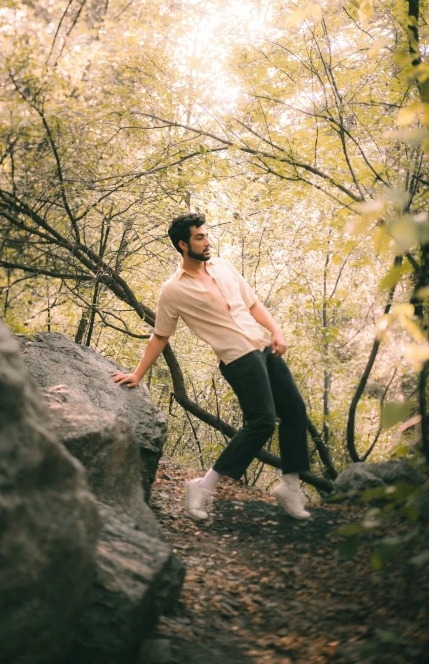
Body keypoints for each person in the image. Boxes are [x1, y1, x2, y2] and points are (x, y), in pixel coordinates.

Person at [110, 212, 311, 521]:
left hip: (262, 346)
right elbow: (160, 335)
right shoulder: (173, 290)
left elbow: (253, 304)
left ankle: (291, 487)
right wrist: (138, 373)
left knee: (295, 411)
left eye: (206, 235)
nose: (207, 241)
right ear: (183, 244)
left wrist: (277, 331)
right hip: (236, 357)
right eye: (199, 237)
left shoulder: (224, 267)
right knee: (262, 422)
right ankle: (203, 487)